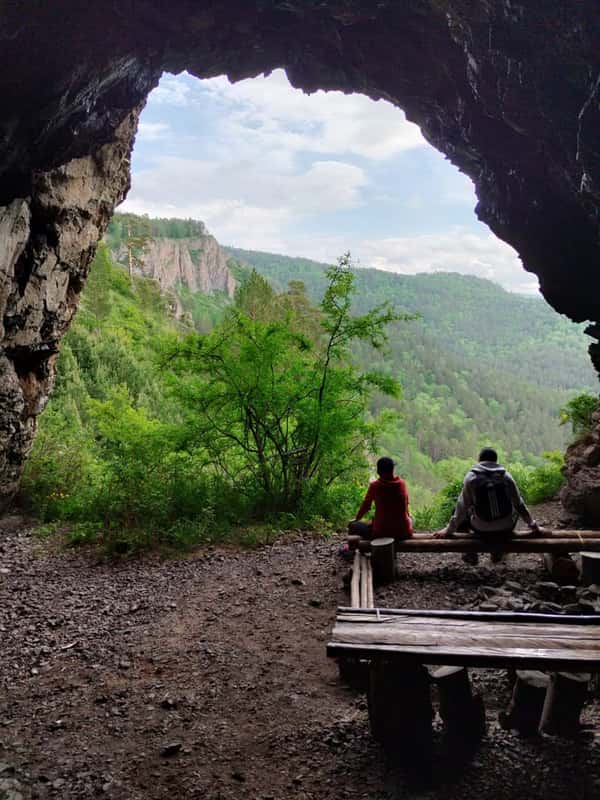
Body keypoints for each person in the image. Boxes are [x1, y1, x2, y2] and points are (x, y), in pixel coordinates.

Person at [433, 447, 541, 564]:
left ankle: (470, 552)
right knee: (514, 508)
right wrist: (533, 525)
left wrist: (448, 530)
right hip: (505, 528)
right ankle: (497, 552)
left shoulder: (471, 478)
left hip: (481, 529)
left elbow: (461, 508)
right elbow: (519, 505)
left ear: (479, 460)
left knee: (457, 509)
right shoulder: (506, 477)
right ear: (496, 461)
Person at [348, 456, 413, 545]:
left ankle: (353, 549)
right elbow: (405, 505)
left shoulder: (375, 486)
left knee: (353, 525)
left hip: (381, 533)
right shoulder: (402, 484)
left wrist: (357, 519)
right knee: (411, 519)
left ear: (378, 471)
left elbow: (366, 505)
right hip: (403, 533)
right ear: (392, 470)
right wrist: (407, 518)